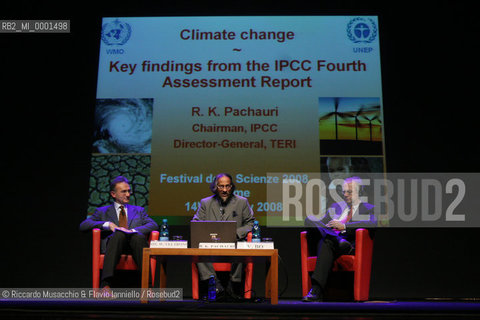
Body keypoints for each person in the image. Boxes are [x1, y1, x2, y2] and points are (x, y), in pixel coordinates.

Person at [302, 176, 376, 302]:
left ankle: (316, 290)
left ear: (360, 192)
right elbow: (322, 223)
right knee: (311, 221)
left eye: (349, 192)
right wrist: (325, 227)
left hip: (348, 246)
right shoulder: (336, 207)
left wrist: (344, 226)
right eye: (344, 192)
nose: (345, 194)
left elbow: (371, 224)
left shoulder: (368, 208)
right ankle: (335, 238)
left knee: (326, 240)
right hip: (334, 242)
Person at [79, 176, 158, 290]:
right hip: (114, 247)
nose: (128, 194)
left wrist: (132, 231)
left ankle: (148, 287)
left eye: (129, 191)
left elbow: (153, 225)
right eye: (123, 191)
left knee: (138, 237)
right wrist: (108, 225)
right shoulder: (102, 211)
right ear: (113, 194)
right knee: (119, 234)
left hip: (135, 247)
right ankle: (106, 286)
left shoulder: (139, 210)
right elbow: (83, 226)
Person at [192, 173, 255, 300]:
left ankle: (233, 285)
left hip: (234, 241)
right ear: (215, 186)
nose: (225, 190)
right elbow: (196, 222)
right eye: (221, 186)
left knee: (242, 246)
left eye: (227, 186)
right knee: (196, 248)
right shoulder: (206, 203)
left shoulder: (242, 202)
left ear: (232, 187)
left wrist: (236, 233)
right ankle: (215, 284)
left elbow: (251, 223)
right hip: (211, 242)